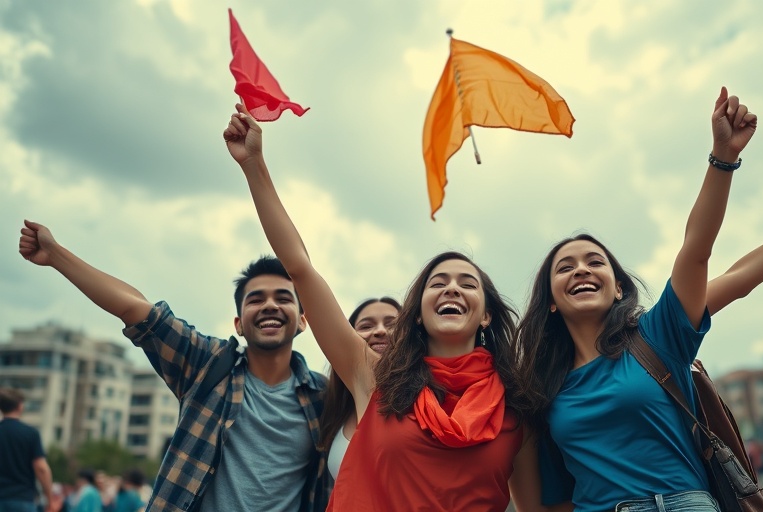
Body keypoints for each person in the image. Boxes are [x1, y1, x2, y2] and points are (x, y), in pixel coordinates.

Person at [521, 86, 763, 511]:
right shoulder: (541, 387)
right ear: (552, 302)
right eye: (565, 267)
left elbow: (713, 260)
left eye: (595, 262)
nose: (581, 269)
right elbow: (549, 494)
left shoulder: (658, 335)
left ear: (618, 287)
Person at [223, 104, 548, 511]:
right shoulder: (375, 378)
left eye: (467, 284)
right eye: (437, 283)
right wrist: (254, 165)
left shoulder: (516, 405)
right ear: (417, 312)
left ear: (485, 314)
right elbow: (300, 269)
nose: (451, 289)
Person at [17, 225, 332, 512]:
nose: (269, 305)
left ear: (303, 321)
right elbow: (136, 310)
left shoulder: (325, 398)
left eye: (283, 298)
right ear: (238, 324)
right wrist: (56, 255)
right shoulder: (207, 364)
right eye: (255, 299)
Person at [319, 297, 401, 479]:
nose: (380, 331)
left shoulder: (428, 397)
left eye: (392, 324)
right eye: (365, 326)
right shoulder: (332, 408)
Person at [0, 387, 59, 512]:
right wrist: (50, 499)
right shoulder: (30, 433)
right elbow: (41, 468)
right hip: (22, 499)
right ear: (20, 406)